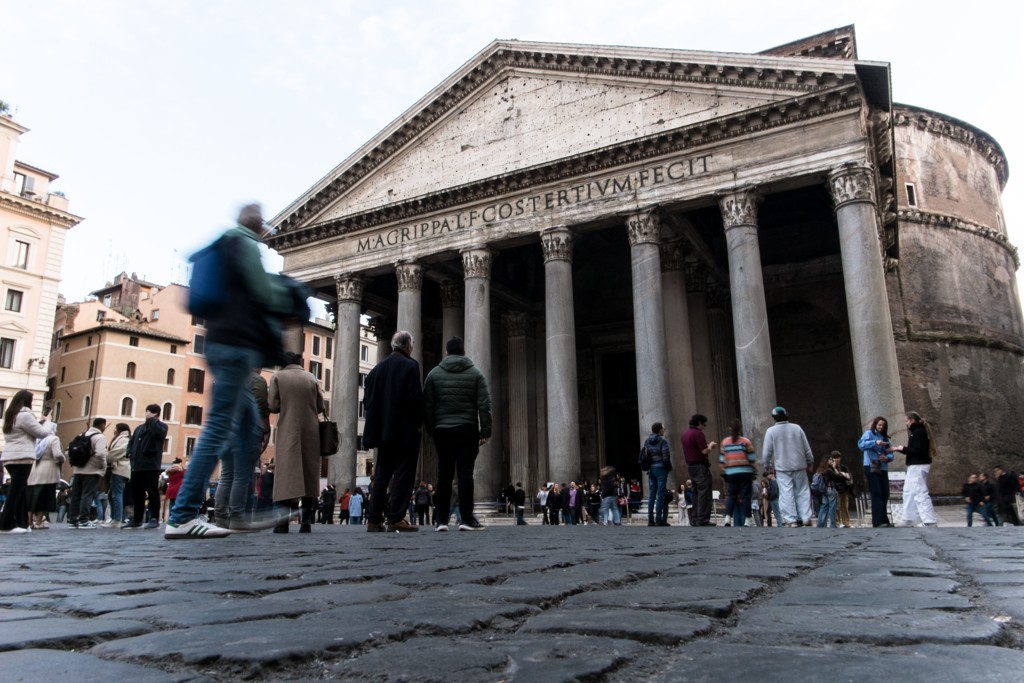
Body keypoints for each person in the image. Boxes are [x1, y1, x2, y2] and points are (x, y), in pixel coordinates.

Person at [165, 203, 307, 539]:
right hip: (235, 346)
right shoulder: (243, 244)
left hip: (224, 344)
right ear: (258, 224)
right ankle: (183, 515)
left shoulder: (226, 244)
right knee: (218, 430)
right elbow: (263, 292)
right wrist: (294, 295)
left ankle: (237, 513)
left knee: (245, 433)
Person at [423, 335, 492, 532]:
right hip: (467, 429)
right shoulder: (476, 374)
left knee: (443, 476)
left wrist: (431, 428)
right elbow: (485, 406)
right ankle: (467, 519)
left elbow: (427, 405)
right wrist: (486, 431)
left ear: (446, 352)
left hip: (442, 430)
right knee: (465, 475)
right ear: (463, 352)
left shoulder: (434, 374)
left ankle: (441, 520)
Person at [362, 330, 424, 533]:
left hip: (383, 432)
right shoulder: (410, 366)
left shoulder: (376, 370)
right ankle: (396, 518)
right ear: (407, 347)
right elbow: (415, 399)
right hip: (404, 431)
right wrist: (418, 423)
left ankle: (374, 519)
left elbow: (369, 401)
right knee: (403, 474)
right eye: (412, 345)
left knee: (382, 474)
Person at [269, 352, 325, 534]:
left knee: (285, 475)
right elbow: (320, 406)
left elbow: (273, 405)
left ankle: (282, 523)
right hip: (311, 430)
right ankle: (306, 522)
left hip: (288, 429)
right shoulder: (311, 378)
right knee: (309, 474)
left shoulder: (278, 377)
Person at [215, 370, 271, 530]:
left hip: (225, 430)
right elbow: (262, 408)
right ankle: (237, 518)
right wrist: (266, 430)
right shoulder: (257, 380)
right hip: (247, 431)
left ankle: (220, 517)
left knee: (226, 477)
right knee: (241, 477)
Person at [1, 390, 51, 534]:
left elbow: (24, 430)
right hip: (22, 456)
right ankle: (6, 524)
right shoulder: (26, 415)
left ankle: (22, 523)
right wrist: (47, 422)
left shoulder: (11, 414)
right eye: (32, 400)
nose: (33, 402)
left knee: (20, 490)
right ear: (27, 401)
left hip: (9, 456)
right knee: (16, 491)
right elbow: (42, 433)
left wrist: (38, 423)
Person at [762, 407, 814, 527]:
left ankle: (791, 520)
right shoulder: (797, 428)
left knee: (786, 493)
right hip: (799, 465)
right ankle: (805, 517)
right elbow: (806, 448)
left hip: (782, 468)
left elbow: (766, 453)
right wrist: (810, 461)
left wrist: (767, 465)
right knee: (803, 491)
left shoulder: (771, 431)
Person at [124, 405, 168, 530]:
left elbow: (158, 433)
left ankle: (154, 518)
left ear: (155, 414)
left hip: (151, 465)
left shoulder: (161, 426)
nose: (146, 414)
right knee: (137, 493)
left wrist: (152, 420)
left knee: (153, 492)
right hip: (137, 465)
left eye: (148, 412)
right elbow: (131, 442)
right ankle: (137, 519)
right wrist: (129, 451)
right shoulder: (139, 428)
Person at [891, 411, 937, 527]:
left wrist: (903, 448)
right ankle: (909, 518)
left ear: (912, 420)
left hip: (918, 465)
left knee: (920, 492)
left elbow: (918, 451)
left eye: (906, 421)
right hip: (915, 465)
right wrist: (901, 449)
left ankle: (929, 520)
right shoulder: (917, 432)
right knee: (908, 491)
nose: (905, 424)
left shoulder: (919, 432)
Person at [68, 417, 109, 529]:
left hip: (77, 470)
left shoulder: (82, 434)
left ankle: (73, 521)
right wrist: (103, 466)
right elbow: (101, 453)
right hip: (91, 471)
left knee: (76, 496)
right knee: (87, 495)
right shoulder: (99, 437)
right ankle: (84, 521)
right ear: (102, 425)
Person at [719, 419, 756, 528]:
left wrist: (724, 470)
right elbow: (752, 458)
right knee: (746, 496)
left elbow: (722, 460)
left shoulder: (725, 442)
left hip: (731, 472)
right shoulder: (745, 441)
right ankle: (748, 520)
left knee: (731, 496)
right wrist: (753, 467)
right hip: (745, 472)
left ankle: (727, 519)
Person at [858, 416, 894, 528]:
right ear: (875, 424)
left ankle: (884, 519)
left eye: (883, 426)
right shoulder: (869, 434)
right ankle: (877, 521)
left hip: (882, 467)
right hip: (871, 466)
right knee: (876, 492)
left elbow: (890, 452)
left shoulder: (885, 438)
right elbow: (861, 445)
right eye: (879, 425)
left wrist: (887, 458)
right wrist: (875, 442)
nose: (881, 427)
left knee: (885, 493)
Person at [27, 421, 64, 530]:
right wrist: (63, 459)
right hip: (48, 471)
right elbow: (57, 454)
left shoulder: (37, 439)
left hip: (34, 470)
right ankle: (38, 522)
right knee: (44, 498)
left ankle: (29, 522)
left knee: (32, 498)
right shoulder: (53, 439)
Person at [681, 414, 716, 526]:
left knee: (695, 492)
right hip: (700, 466)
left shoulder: (685, 435)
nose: (704, 426)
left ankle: (695, 518)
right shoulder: (698, 434)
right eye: (704, 424)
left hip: (691, 466)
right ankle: (702, 518)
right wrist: (710, 446)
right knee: (704, 492)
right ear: (699, 423)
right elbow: (704, 451)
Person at [643, 422, 673, 526]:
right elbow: (666, 457)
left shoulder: (647, 441)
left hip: (651, 469)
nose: (664, 430)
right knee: (660, 495)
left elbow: (646, 456)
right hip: (661, 469)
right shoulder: (662, 441)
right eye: (663, 428)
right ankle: (659, 519)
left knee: (651, 495)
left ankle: (650, 520)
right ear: (659, 430)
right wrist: (668, 467)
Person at [105, 423, 132, 526]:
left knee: (116, 494)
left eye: (115, 429)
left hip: (120, 469)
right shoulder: (122, 439)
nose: (114, 431)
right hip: (118, 469)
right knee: (112, 495)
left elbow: (116, 453)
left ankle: (117, 519)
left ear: (120, 430)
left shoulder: (124, 439)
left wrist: (106, 457)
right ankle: (114, 518)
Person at [814, 454, 844, 528]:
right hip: (830, 489)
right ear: (826, 461)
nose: (832, 461)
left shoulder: (820, 470)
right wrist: (835, 468)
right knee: (832, 507)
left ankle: (820, 524)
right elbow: (838, 477)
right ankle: (833, 524)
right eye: (830, 460)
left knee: (824, 507)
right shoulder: (829, 470)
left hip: (824, 491)